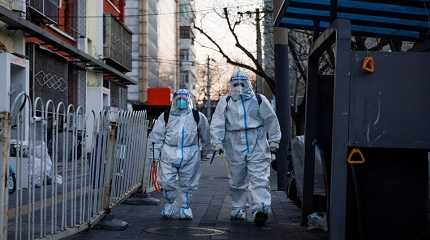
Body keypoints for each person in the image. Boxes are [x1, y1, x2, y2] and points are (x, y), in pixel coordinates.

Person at [210, 69, 281, 226]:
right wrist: (217, 142)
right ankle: (238, 208)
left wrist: (275, 141)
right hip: (233, 143)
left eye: (242, 83)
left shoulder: (259, 100)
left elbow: (271, 119)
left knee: (259, 178)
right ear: (231, 85)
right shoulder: (225, 101)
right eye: (235, 84)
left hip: (257, 142)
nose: (239, 87)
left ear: (248, 83)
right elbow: (218, 122)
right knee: (237, 179)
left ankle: (260, 208)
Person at [149, 89, 209, 220]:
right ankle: (170, 204)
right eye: (178, 99)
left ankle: (185, 207)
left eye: (183, 99)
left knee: (187, 183)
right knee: (167, 181)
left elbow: (206, 135)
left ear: (188, 100)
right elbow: (156, 137)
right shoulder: (166, 116)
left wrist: (206, 150)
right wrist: (154, 156)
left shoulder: (196, 116)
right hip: (168, 153)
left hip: (190, 154)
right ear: (174, 100)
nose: (181, 101)